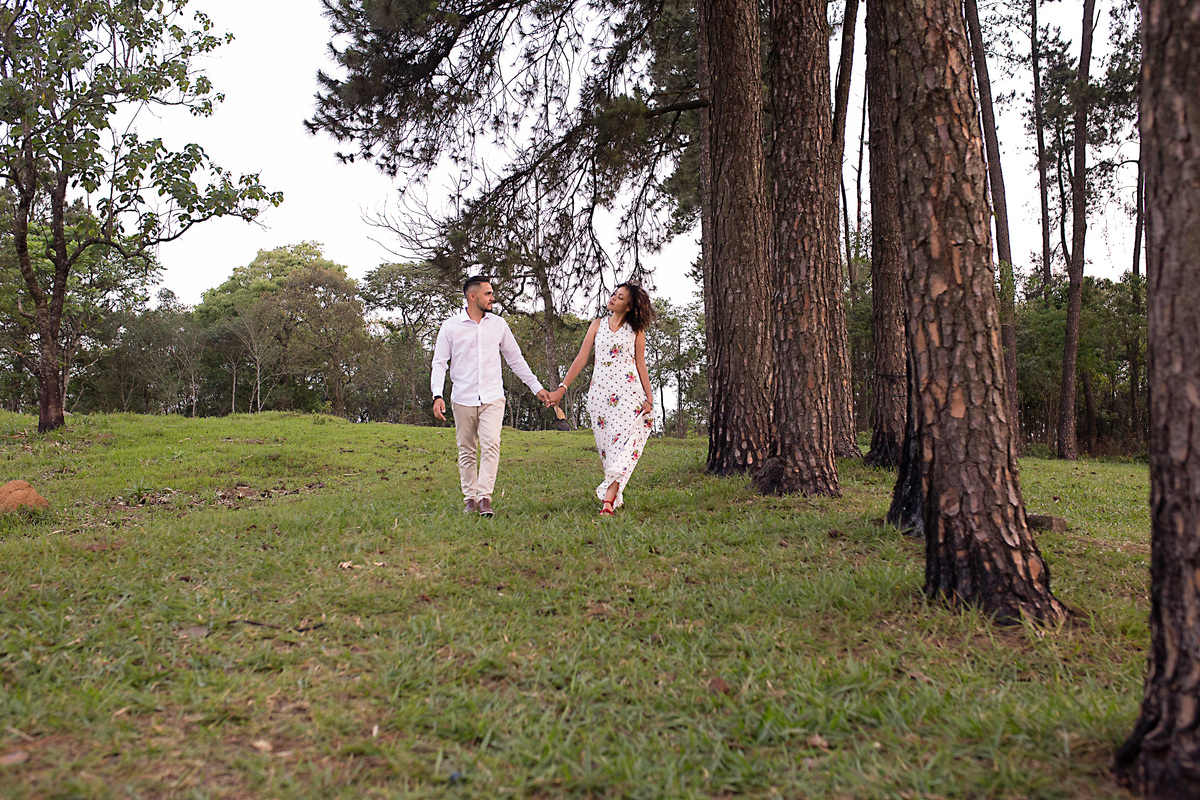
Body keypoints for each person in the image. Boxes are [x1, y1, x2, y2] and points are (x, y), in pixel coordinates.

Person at [431, 276, 551, 517]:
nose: (492, 298)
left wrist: (537, 388)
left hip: (493, 397)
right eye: (488, 293)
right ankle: (470, 499)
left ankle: (485, 497)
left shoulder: (498, 325)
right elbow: (439, 362)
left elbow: (515, 359)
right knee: (466, 449)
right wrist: (437, 395)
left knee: (491, 444)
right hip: (462, 398)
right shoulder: (451, 327)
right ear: (472, 296)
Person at [546, 282, 655, 516]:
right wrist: (562, 388)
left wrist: (649, 396)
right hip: (600, 397)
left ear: (629, 306)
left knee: (622, 444)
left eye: (621, 297)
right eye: (614, 294)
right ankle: (616, 494)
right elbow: (581, 359)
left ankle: (607, 501)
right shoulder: (597, 325)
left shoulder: (636, 331)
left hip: (628, 394)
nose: (614, 298)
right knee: (608, 449)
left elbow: (640, 363)